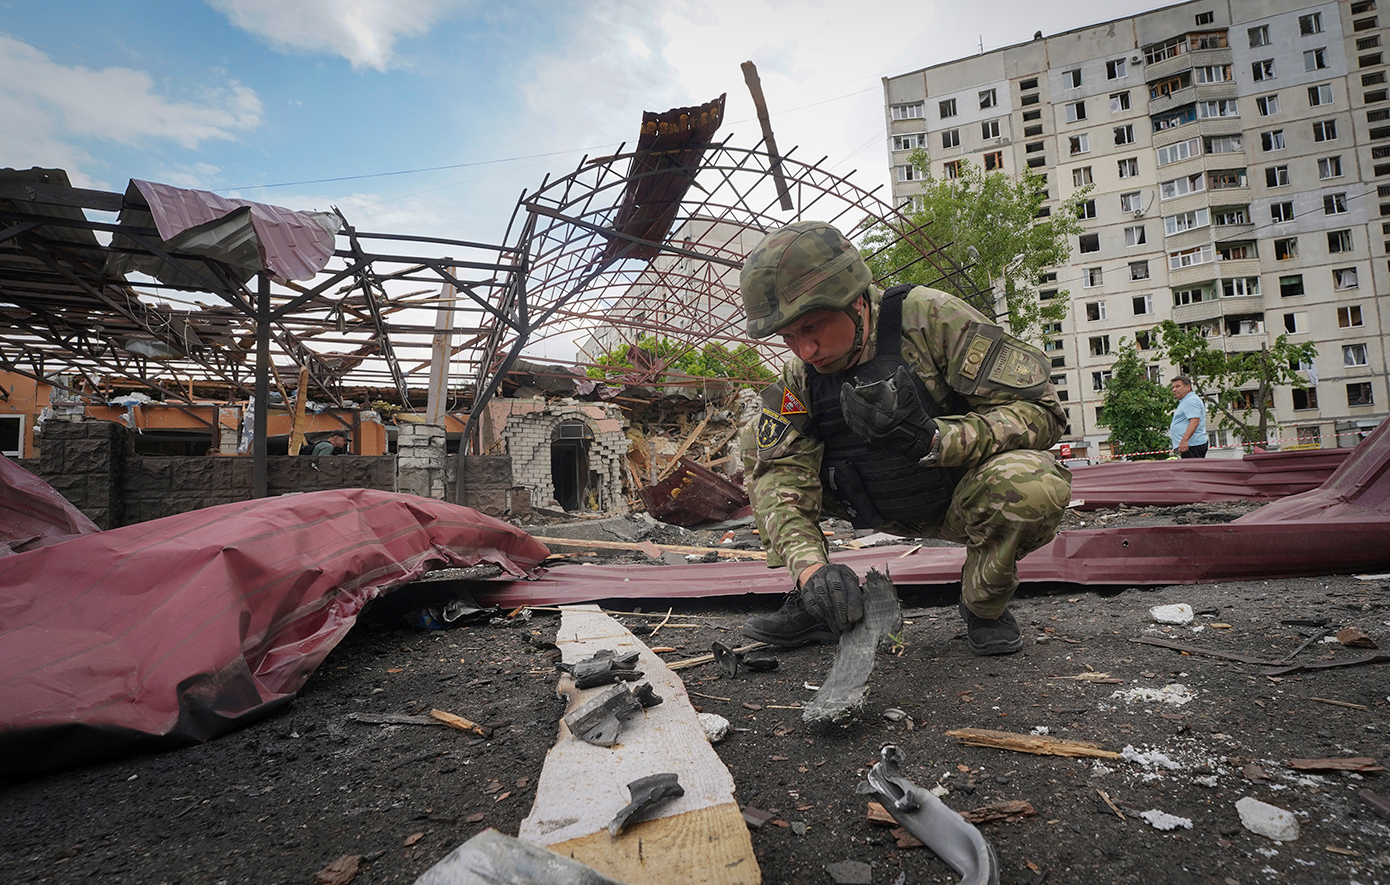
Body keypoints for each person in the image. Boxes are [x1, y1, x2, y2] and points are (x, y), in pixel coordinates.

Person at [737, 220, 1072, 656]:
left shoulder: (931, 319)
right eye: (788, 337)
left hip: (957, 497)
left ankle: (983, 606)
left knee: (1032, 483)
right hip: (865, 499)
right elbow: (778, 476)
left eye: (814, 327)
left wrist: (937, 440)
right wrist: (811, 569)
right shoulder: (798, 377)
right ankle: (818, 601)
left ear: (856, 302)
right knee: (759, 445)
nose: (805, 351)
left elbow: (1043, 413)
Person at [1168, 375, 1208, 458]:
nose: (1174, 389)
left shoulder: (1191, 400)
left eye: (1178, 386)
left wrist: (1184, 440)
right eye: (1173, 387)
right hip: (1188, 446)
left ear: (1188, 387)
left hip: (1191, 446)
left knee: (1194, 470)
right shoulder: (1186, 401)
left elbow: (1194, 422)